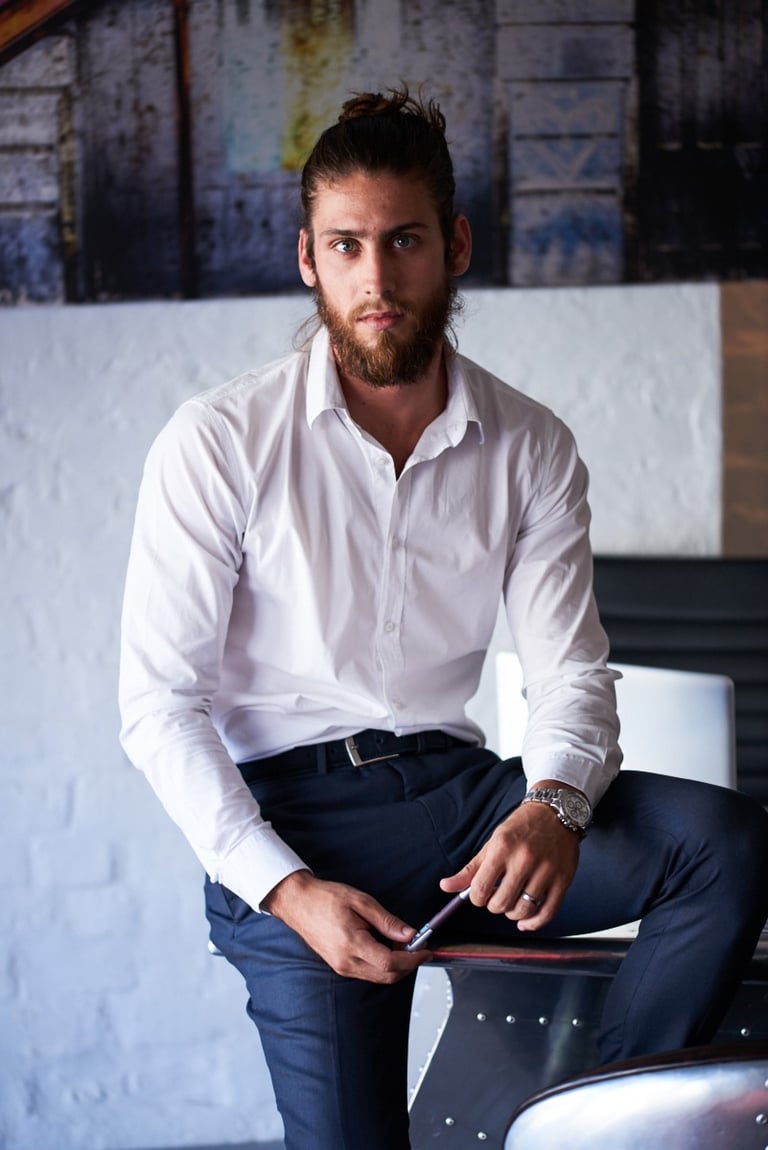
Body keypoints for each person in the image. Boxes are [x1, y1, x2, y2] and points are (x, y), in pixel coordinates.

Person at [119, 87, 768, 1150]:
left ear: (454, 244)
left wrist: (555, 805)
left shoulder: (531, 444)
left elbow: (569, 674)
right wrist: (286, 890)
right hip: (291, 824)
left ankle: (592, 1130)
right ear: (308, 260)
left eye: (404, 240)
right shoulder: (218, 441)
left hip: (454, 800)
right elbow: (159, 706)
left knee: (724, 844)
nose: (376, 278)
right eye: (347, 245)